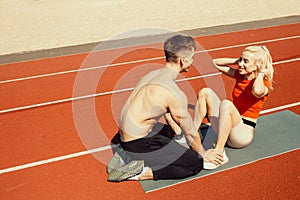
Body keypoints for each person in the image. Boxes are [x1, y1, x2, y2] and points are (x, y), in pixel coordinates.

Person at [110, 34, 223, 181]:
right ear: (183, 60)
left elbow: (163, 110)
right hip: (138, 143)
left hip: (124, 135)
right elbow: (190, 133)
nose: (193, 61)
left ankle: (126, 153)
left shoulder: (152, 74)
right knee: (195, 164)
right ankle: (142, 172)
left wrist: (176, 130)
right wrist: (203, 153)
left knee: (173, 133)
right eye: (192, 57)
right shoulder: (173, 92)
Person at [193, 45, 274, 170]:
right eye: (241, 60)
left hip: (241, 135)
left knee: (226, 104)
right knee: (205, 92)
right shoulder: (239, 76)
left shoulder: (263, 84)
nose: (241, 64)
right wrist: (238, 60)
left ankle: (219, 152)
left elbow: (257, 91)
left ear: (257, 65)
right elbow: (215, 63)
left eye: (246, 61)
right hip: (226, 125)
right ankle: (192, 134)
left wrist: (262, 72)